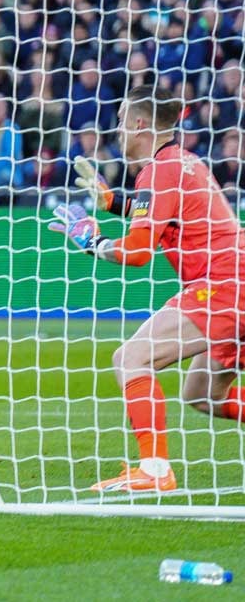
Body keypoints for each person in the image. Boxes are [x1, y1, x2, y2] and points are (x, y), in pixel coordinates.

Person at [51, 85, 245, 493]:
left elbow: (140, 252)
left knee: (131, 357)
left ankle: (155, 470)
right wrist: (112, 202)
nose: (118, 130)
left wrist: (94, 243)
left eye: (121, 120)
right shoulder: (179, 163)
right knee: (203, 394)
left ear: (139, 124)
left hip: (225, 283)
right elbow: (164, 216)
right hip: (231, 280)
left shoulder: (159, 171)